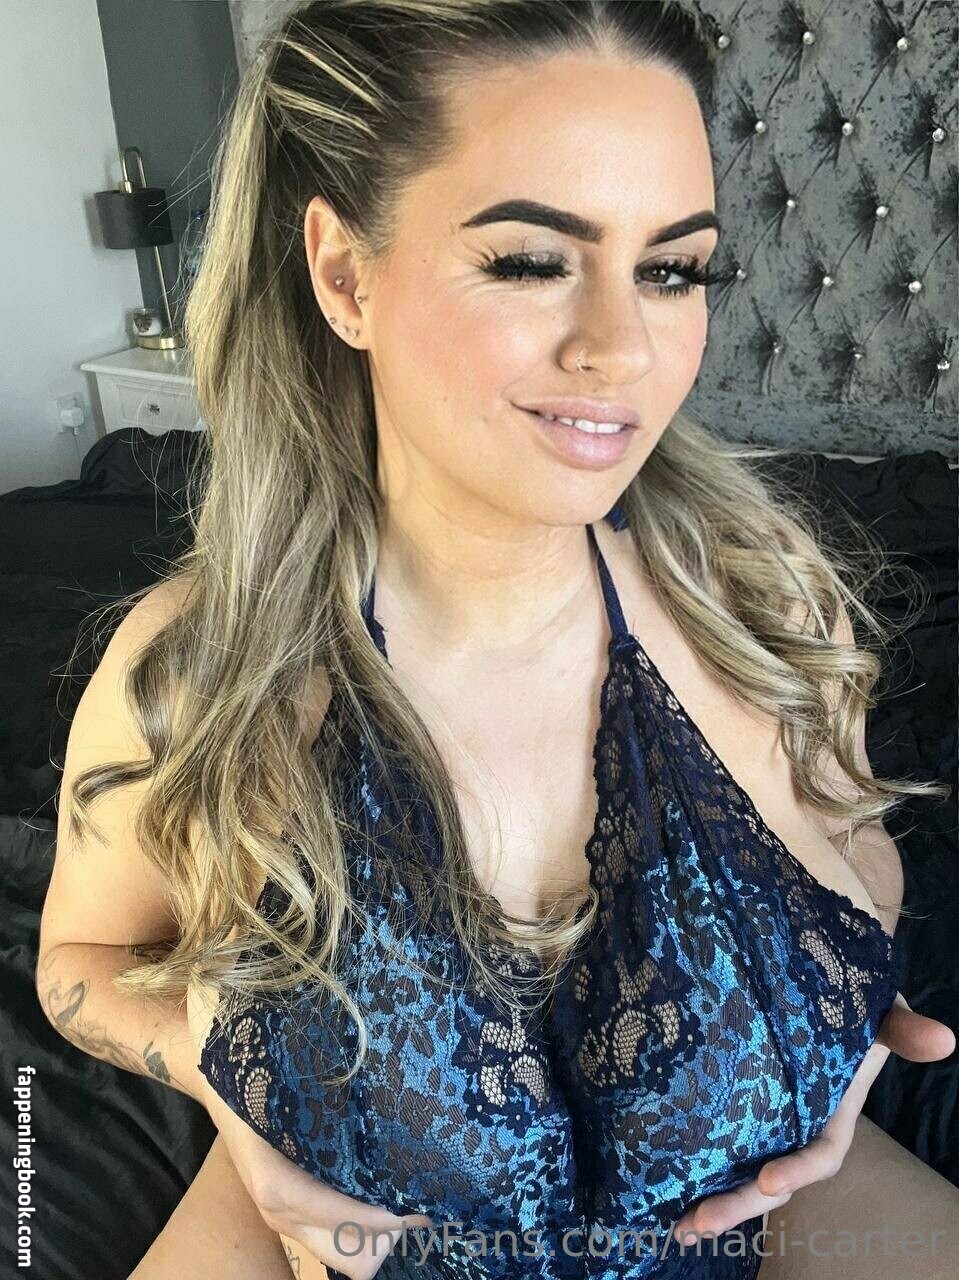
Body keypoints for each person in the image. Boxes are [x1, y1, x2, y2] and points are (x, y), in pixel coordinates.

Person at [36, 2, 956, 1277]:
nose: (620, 349)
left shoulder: (768, 615)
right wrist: (216, 1059)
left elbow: (860, 854)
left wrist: (841, 1018)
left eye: (671, 269)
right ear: (345, 275)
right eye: (529, 261)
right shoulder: (204, 673)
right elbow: (76, 963)